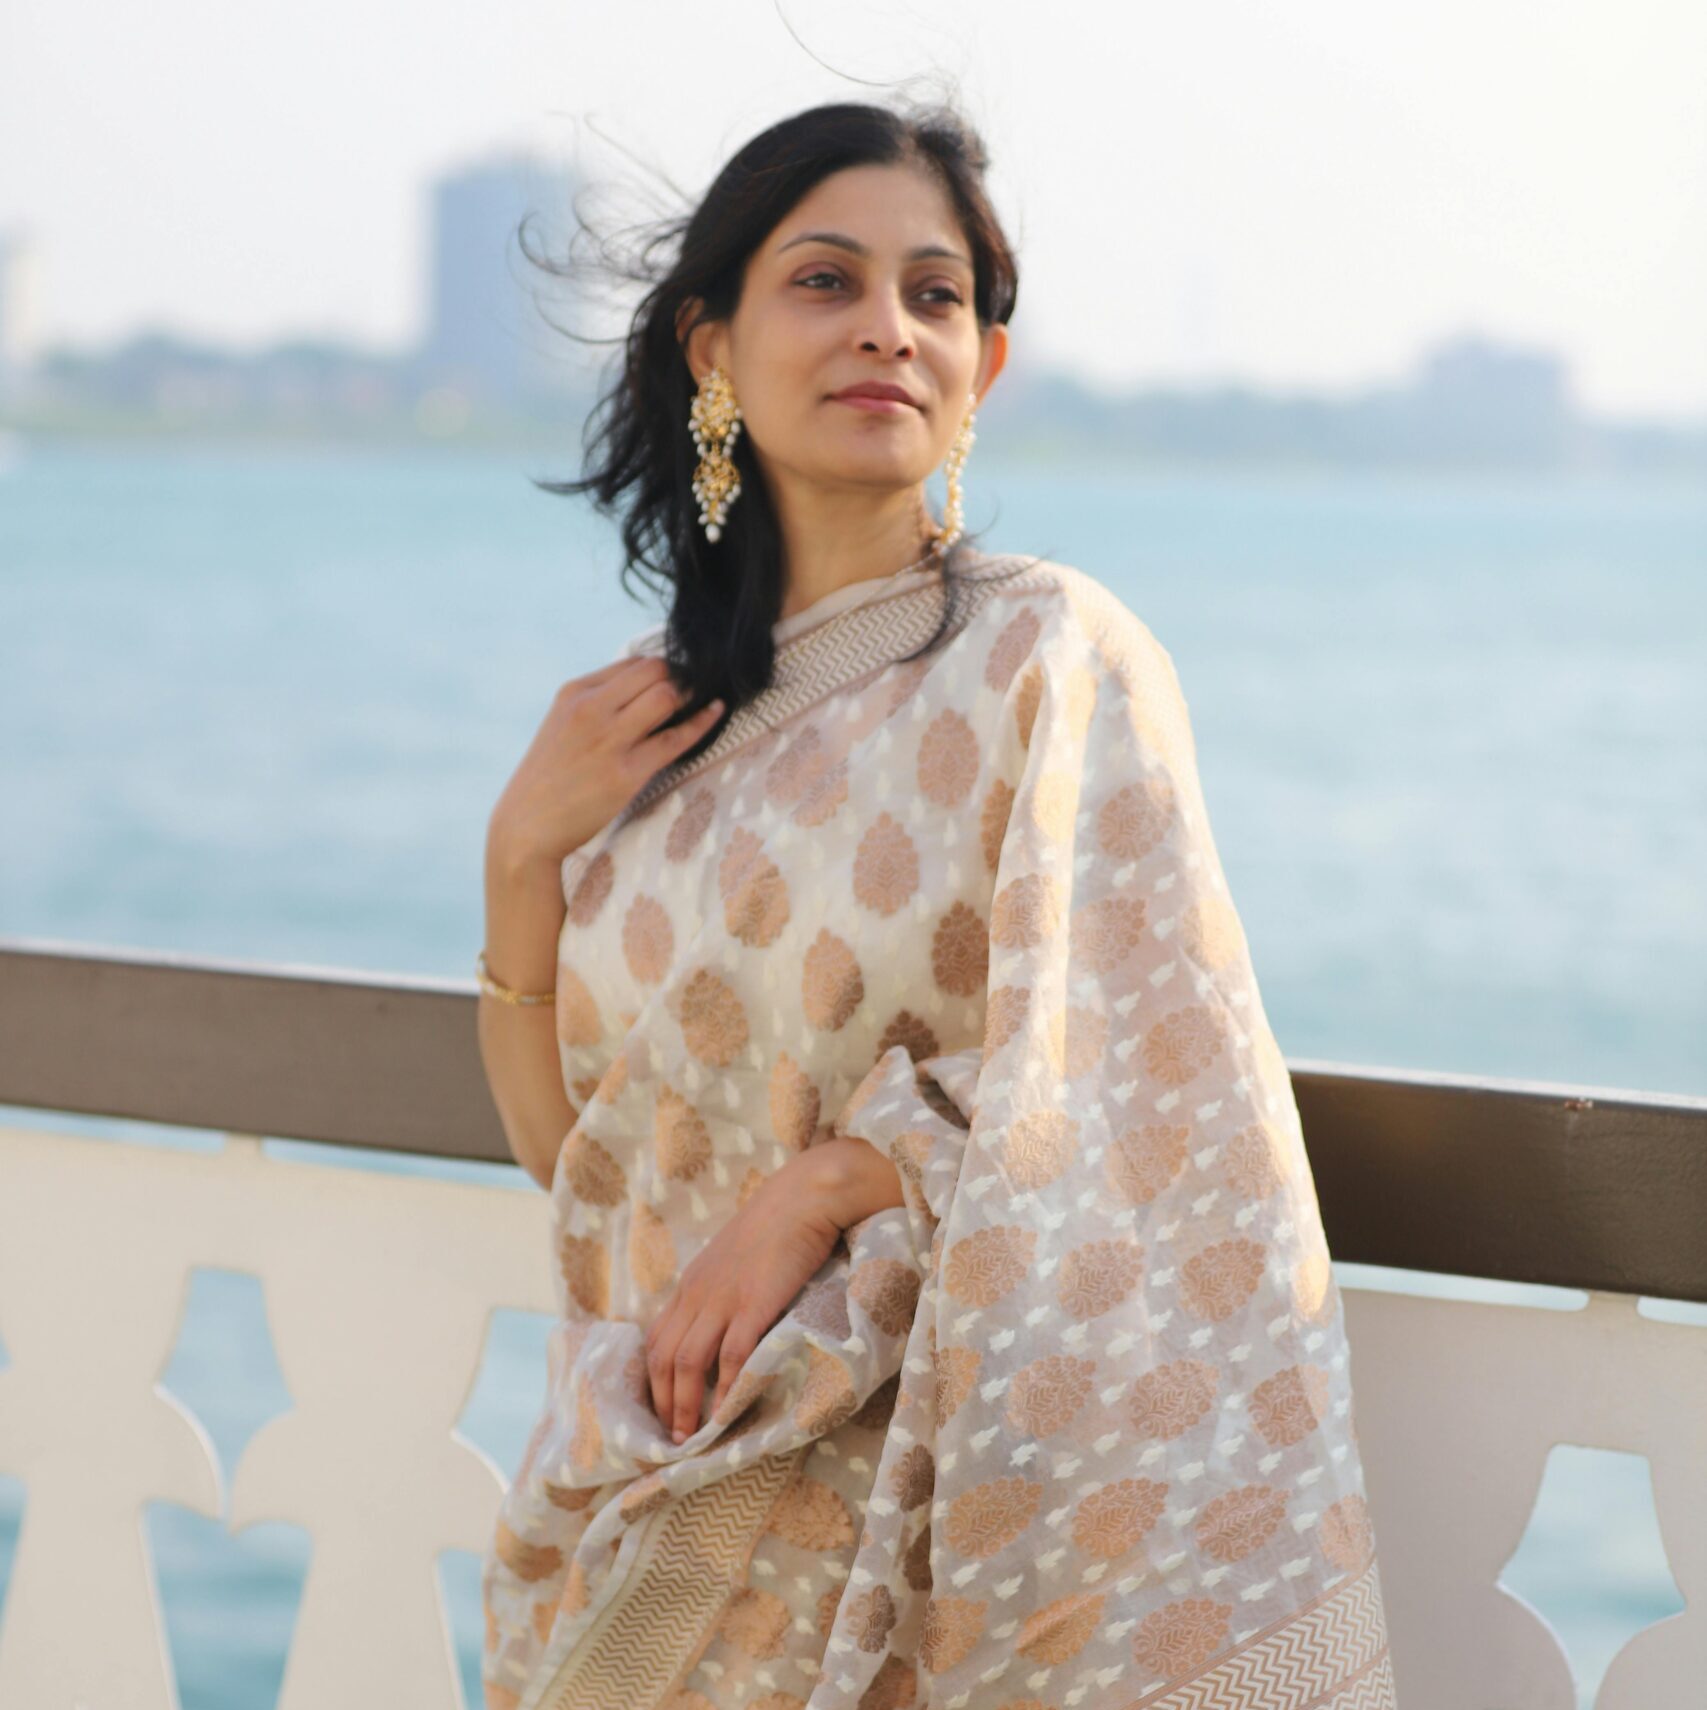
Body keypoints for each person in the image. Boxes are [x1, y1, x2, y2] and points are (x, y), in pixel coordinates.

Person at [475, 96, 1398, 1710]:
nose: (887, 329)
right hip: (653, 1501)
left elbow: (1151, 1105)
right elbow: (586, 1171)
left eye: (936, 294)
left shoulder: (1053, 660)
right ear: (711, 347)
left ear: (985, 364)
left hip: (917, 1531)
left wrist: (831, 1184)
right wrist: (518, 859)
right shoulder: (649, 730)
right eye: (825, 280)